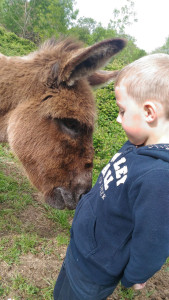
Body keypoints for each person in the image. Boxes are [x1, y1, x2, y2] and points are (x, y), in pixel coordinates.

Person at [53, 53, 169, 300]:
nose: (117, 118)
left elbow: (154, 239)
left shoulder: (159, 179)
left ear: (149, 112)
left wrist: (136, 275)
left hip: (95, 271)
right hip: (80, 248)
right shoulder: (136, 145)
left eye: (122, 110)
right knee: (60, 293)